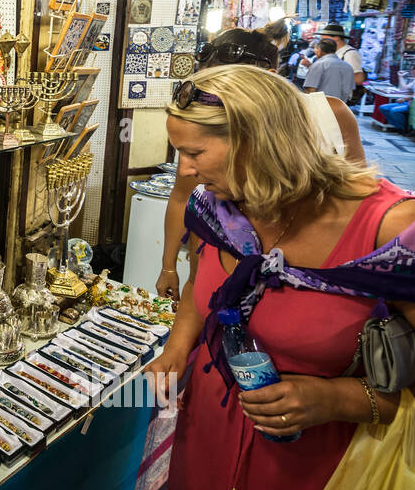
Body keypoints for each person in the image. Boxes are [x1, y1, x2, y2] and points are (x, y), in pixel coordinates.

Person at [150, 65, 415, 490]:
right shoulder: (216, 206)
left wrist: (339, 398)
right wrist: (177, 349)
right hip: (212, 440)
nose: (186, 170)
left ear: (261, 143)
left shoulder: (399, 231)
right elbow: (204, 281)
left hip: (326, 467)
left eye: (195, 153)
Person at [155, 26, 365, 300]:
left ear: (269, 81)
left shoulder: (330, 116)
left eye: (232, 89)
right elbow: (183, 197)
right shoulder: (208, 141)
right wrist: (169, 266)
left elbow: (357, 197)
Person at [319, 21, 365, 99]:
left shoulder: (350, 54)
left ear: (336, 38)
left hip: (338, 97)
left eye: (324, 40)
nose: (322, 42)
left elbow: (358, 79)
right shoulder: (332, 51)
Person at [303, 39, 355, 104]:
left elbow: (310, 89)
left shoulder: (319, 64)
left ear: (319, 50)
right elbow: (349, 91)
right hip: (340, 108)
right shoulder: (348, 67)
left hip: (320, 107)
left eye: (315, 48)